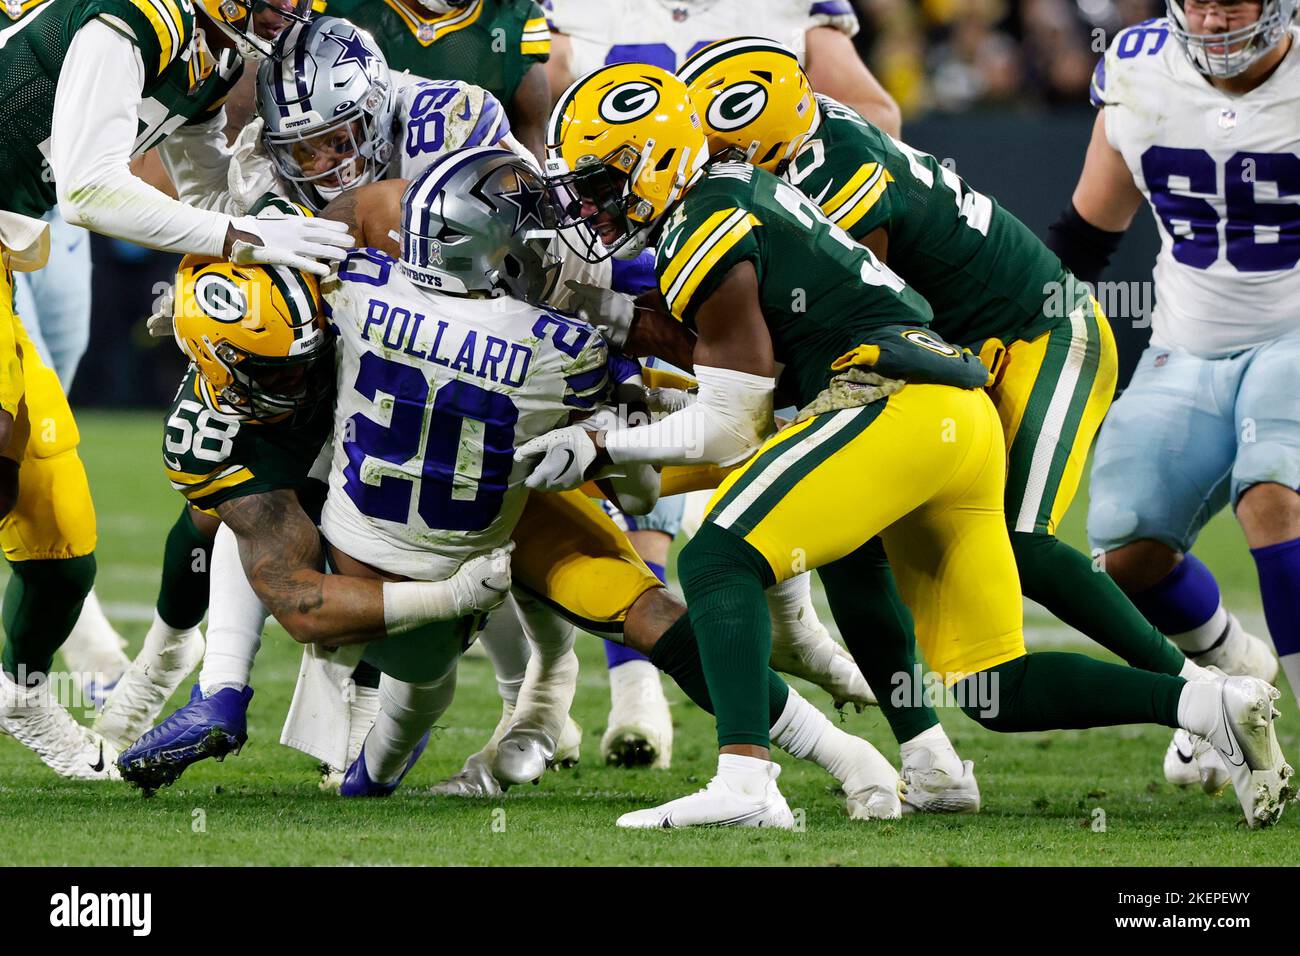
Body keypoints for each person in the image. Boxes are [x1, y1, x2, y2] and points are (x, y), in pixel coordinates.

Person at [522, 62, 1293, 829]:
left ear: (656, 159)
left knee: (719, 555)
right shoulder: (739, 199)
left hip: (955, 372)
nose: (589, 208)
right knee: (995, 682)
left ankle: (746, 784)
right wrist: (635, 410)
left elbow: (744, 412)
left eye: (595, 184)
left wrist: (605, 442)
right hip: (946, 409)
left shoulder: (719, 217)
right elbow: (759, 372)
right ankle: (1203, 702)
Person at [676, 36, 1221, 800]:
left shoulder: (838, 176)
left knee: (1021, 543)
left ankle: (1202, 698)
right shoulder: (798, 145)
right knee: (850, 542)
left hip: (1038, 335)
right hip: (941, 361)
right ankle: (929, 758)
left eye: (738, 152)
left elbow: (837, 326)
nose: (724, 167)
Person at [0, 0, 352, 779]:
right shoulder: (137, 15)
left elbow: (204, 188)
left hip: (9, 241)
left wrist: (275, 220)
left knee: (60, 543)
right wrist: (248, 238)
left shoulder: (216, 51)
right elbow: (92, 190)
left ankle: (18, 694)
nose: (290, 7)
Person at [1048, 0, 1299, 788]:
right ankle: (1232, 668)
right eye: (1199, 1)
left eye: (1234, 1)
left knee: (1272, 495)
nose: (1214, 18)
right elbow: (1089, 232)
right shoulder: (1137, 66)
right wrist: (1021, 325)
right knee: (1125, 550)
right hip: (1186, 346)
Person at [544, 0, 901, 136]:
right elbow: (521, 110)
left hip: (748, 213)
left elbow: (881, 118)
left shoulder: (786, 9)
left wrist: (773, 122)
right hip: (616, 215)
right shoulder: (580, 9)